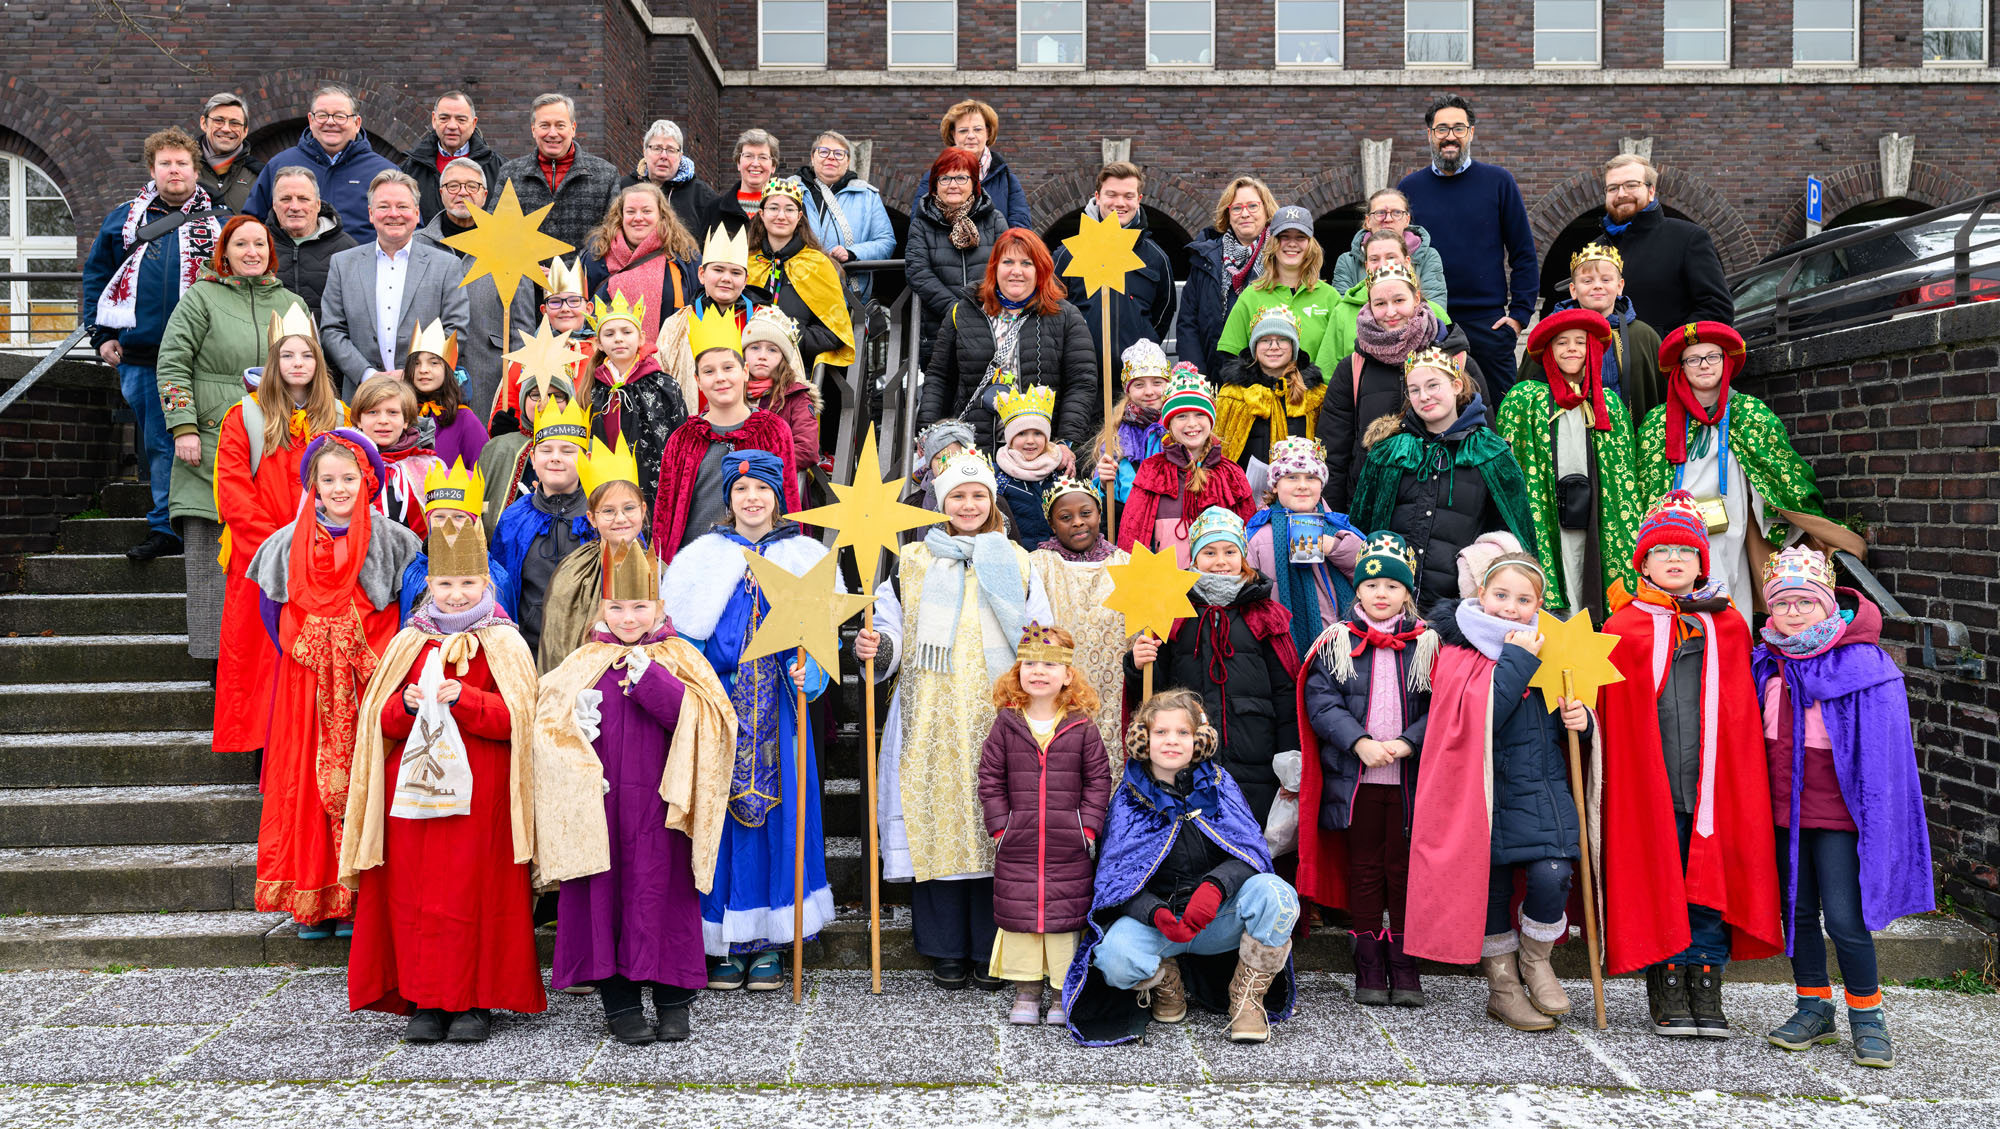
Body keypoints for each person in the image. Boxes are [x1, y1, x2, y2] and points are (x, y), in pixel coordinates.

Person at [341, 500, 545, 1043]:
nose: (456, 594)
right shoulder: (408, 642)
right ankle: (425, 999)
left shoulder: (505, 643)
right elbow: (377, 725)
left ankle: (475, 1001)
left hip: (483, 802)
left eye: (467, 583)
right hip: (414, 803)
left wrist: (469, 700)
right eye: (446, 584)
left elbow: (519, 723)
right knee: (417, 899)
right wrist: (406, 706)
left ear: (487, 582)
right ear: (428, 584)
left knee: (475, 897)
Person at [850, 451, 1053, 989]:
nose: (967, 504)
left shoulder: (1017, 561)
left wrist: (1039, 688)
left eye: (977, 495)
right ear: (941, 503)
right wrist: (877, 645)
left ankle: (993, 945)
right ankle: (944, 946)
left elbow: (1042, 633)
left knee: (996, 824)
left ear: (991, 503)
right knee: (936, 817)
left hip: (1000, 710)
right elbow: (891, 628)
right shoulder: (912, 560)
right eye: (957, 496)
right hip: (932, 711)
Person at [533, 538, 737, 1044]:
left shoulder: (680, 657)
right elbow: (545, 725)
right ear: (603, 607)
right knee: (606, 900)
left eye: (640, 607)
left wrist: (657, 685)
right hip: (598, 809)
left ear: (659, 607)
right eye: (617, 607)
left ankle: (673, 1000)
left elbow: (709, 723)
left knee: (662, 895)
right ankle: (620, 1003)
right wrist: (570, 728)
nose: (628, 618)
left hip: (660, 809)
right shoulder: (584, 660)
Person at [1597, 491, 1782, 1039]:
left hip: (1711, 781)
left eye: (1686, 551)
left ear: (1703, 561)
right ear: (1643, 563)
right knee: (1661, 876)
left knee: (1707, 878)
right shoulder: (1623, 626)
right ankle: (1667, 980)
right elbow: (1609, 707)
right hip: (1650, 782)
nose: (1674, 560)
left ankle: (1706, 980)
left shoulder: (1726, 627)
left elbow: (1741, 712)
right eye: (1662, 552)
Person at [660, 449, 836, 990]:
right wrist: (701, 675)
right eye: (741, 491)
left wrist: (815, 673)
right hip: (720, 711)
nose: (752, 499)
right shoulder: (700, 558)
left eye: (762, 490)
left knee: (784, 819)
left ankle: (772, 941)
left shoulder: (805, 555)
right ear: (727, 498)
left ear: (779, 498)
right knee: (720, 817)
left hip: (782, 714)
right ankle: (724, 938)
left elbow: (821, 637)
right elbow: (681, 638)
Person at [1753, 547, 1934, 1070]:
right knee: (1798, 914)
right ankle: (1813, 1008)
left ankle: (1868, 1016)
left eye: (1804, 603)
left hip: (1839, 816)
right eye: (1782, 603)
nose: (1792, 613)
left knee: (1847, 919)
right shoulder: (1766, 661)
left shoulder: (1862, 663)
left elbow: (1882, 754)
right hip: (1783, 812)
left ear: (1828, 605)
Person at [245, 430, 422, 937]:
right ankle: (316, 895)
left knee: (371, 779)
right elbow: (270, 611)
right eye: (328, 480)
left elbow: (409, 611)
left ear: (368, 479)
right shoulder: (282, 544)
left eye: (349, 478)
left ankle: (361, 895)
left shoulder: (396, 541)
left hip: (370, 682)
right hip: (309, 687)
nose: (339, 488)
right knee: (306, 783)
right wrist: (313, 652)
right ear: (313, 485)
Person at [1408, 551, 1591, 1031]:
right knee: (1489, 891)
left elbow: (1577, 717)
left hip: (1539, 790)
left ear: (1540, 604)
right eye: (1501, 595)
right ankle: (1504, 987)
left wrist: (1584, 721)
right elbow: (1483, 717)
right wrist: (1518, 657)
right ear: (1480, 595)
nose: (1510, 607)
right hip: (1478, 794)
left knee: (1553, 875)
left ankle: (1536, 961)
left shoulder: (1554, 648)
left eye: (1523, 598)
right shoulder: (1456, 650)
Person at [1063, 688, 1299, 1046]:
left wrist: (1215, 886)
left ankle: (1247, 998)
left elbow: (1251, 856)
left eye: (1182, 733)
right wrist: (1154, 913)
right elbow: (1115, 882)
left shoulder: (1220, 785)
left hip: (1218, 917)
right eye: (1161, 732)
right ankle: (1164, 978)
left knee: (1279, 897)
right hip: (1161, 927)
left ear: (1198, 739)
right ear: (1143, 739)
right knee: (1113, 958)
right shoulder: (1128, 799)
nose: (1172, 741)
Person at [155, 215, 302, 668]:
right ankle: (215, 662)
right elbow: (173, 362)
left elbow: (307, 369)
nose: (252, 252)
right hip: (211, 446)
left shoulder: (292, 302)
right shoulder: (201, 298)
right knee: (211, 564)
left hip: (275, 448)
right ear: (225, 251)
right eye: (241, 244)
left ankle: (266, 658)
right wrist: (183, 426)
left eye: (260, 243)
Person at [1297, 532, 1435, 1008]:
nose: (1381, 594)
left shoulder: (1427, 645)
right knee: (1364, 870)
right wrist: (1358, 742)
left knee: (1403, 869)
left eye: (1392, 587)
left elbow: (1441, 708)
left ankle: (1404, 960)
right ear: (1356, 590)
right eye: (1372, 584)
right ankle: (1369, 960)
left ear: (1407, 593)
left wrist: (1405, 742)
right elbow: (1321, 701)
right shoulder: (1337, 641)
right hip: (1356, 781)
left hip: (1406, 781)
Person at [82, 126, 226, 561]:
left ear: (195, 170)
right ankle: (167, 528)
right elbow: (97, 277)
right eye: (166, 163)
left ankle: (209, 523)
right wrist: (100, 336)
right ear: (153, 169)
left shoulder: (221, 221)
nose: (174, 170)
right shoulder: (124, 218)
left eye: (182, 163)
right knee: (162, 443)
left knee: (208, 440)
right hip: (141, 354)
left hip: (206, 355)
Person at [1638, 322, 1838, 634]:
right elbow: (1646, 485)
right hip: (1677, 531)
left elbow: (1782, 470)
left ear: (1725, 362)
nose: (1704, 365)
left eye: (1712, 357)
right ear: (1681, 367)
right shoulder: (1658, 422)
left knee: (1731, 594)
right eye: (1693, 359)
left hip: (1732, 525)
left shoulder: (1748, 412)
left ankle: (1732, 662)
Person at [211, 305, 344, 754]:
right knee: (258, 655)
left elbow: (349, 484)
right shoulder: (243, 416)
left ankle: (310, 744)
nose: (297, 364)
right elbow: (233, 490)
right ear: (273, 362)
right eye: (287, 355)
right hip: (260, 559)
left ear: (318, 363)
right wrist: (276, 545)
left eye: (306, 355)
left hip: (322, 556)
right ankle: (263, 747)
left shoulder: (338, 415)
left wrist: (321, 541)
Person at [1129, 507, 1301, 824]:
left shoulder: (1264, 614)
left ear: (1243, 556)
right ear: (1193, 559)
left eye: (1229, 551)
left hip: (1254, 752)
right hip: (1188, 752)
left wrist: (1289, 756)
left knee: (1249, 834)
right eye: (1209, 552)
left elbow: (1285, 690)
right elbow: (1154, 690)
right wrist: (1138, 665)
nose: (1220, 561)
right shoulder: (1174, 612)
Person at [979, 623, 1114, 1027]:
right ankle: (1026, 991)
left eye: (1050, 664)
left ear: (1068, 675)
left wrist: (1086, 829)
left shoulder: (1081, 726)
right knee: (1021, 920)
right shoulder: (1007, 724)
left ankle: (1060, 991)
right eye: (1030, 663)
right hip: (1017, 843)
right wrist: (1001, 828)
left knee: (1063, 922)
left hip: (1067, 845)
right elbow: (990, 779)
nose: (1039, 671)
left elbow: (1098, 781)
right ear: (1018, 671)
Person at [1346, 347, 1535, 606]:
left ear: (1457, 386)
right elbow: (1363, 526)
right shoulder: (1389, 451)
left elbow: (1511, 537)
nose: (1424, 396)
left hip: (1458, 605)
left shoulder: (1490, 453)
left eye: (1433, 385)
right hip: (1390, 603)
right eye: (1414, 390)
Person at [1495, 306, 1643, 616]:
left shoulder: (1609, 404)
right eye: (1562, 342)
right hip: (1546, 511)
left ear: (1592, 349)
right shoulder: (1524, 399)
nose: (1571, 348)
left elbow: (1622, 475)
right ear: (1548, 351)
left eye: (1579, 341)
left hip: (1596, 514)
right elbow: (1511, 467)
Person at [1396, 94, 1537, 403]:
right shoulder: (1409, 188)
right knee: (1430, 407)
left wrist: (1518, 317)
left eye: (1459, 128)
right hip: (1428, 320)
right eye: (1442, 129)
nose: (1450, 136)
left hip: (1488, 323)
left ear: (1471, 132)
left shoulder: (1499, 182)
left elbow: (1524, 252)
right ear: (1430, 135)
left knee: (1500, 412)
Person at [1318, 263, 1485, 512]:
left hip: (1444, 510)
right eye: (1380, 304)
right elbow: (1334, 454)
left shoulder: (1457, 362)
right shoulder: (1353, 368)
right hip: (1370, 507)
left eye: (1399, 300)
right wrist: (1335, 521)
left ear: (1416, 298)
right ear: (1369, 305)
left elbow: (1483, 444)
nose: (1390, 312)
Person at [921, 227, 1097, 454]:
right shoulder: (962, 312)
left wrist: (1066, 441)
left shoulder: (1065, 316)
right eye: (1008, 262)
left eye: (1026, 263)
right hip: (975, 450)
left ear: (1040, 270)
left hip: (1041, 452)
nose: (1017, 271)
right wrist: (927, 431)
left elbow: (1081, 384)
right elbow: (939, 378)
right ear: (995, 267)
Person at [650, 307, 800, 558]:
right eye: (709, 371)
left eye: (728, 368)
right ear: (698, 381)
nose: (720, 378)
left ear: (744, 372)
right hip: (693, 564)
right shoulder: (682, 439)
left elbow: (789, 500)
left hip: (757, 564)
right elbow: (665, 512)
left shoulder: (773, 431)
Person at [319, 170, 472, 397]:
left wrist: (415, 374)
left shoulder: (446, 266)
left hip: (426, 398)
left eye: (402, 206)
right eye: (383, 207)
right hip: (362, 396)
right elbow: (332, 329)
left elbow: (455, 330)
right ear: (371, 214)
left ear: (417, 213)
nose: (394, 214)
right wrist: (367, 374)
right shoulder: (343, 264)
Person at [414, 158, 537, 420]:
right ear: (441, 193)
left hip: (490, 369)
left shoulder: (510, 244)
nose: (462, 192)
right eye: (453, 185)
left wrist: (515, 381)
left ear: (484, 194)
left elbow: (523, 325)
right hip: (427, 372)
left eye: (472, 186)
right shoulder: (417, 244)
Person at [520, 434, 643, 672]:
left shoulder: (654, 568)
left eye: (629, 508)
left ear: (642, 509)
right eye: (608, 511)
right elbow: (559, 636)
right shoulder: (572, 570)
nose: (620, 518)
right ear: (592, 518)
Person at [1027, 477, 1131, 754]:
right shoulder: (1037, 565)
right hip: (1059, 681)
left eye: (1086, 513)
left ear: (1099, 514)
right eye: (1065, 517)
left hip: (1114, 680)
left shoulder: (1126, 564)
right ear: (1052, 524)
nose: (1077, 522)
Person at [489, 395, 595, 657]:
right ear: (533, 459)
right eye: (546, 451)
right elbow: (500, 587)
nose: (555, 458)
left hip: (588, 650)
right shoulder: (514, 518)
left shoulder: (601, 515)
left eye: (568, 451)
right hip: (528, 648)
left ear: (586, 457)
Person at [1118, 369, 1255, 564]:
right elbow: (1132, 534)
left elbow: (1249, 538)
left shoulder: (1231, 474)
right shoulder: (1153, 470)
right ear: (1169, 423)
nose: (1192, 424)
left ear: (1211, 420)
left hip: (1220, 584)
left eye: (1200, 414)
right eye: (1181, 416)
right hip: (1167, 585)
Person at [1244, 437, 1365, 656]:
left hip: (1341, 644)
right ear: (1276, 485)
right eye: (1291, 477)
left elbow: (1370, 572)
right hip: (1283, 649)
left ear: (1321, 484)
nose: (1302, 485)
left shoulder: (1339, 528)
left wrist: (1334, 547)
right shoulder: (1258, 537)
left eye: (1311, 477)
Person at [1052, 163, 1175, 365]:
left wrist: (1143, 343)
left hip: (1135, 378)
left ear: (1139, 200)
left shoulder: (1156, 258)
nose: (1120, 203)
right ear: (1098, 196)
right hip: (1081, 374)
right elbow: (1051, 310)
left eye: (1128, 196)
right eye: (1111, 194)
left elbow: (1163, 314)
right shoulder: (1067, 254)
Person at [243, 86, 399, 243]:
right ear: (311, 120)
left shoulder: (384, 172)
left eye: (340, 116)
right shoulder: (280, 165)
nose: (330, 122)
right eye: (322, 115)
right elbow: (251, 223)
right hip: (292, 266)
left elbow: (407, 229)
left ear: (357, 123)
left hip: (361, 266)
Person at [1597, 155, 1734, 331]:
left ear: (1651, 191)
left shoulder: (1688, 237)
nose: (1622, 194)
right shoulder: (1594, 249)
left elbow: (1717, 309)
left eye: (1631, 185)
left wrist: (1667, 346)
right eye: (1613, 188)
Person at [906, 147, 1011, 367]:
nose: (953, 185)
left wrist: (981, 305)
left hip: (990, 322)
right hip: (940, 327)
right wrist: (956, 310)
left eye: (961, 177)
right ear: (935, 185)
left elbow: (1006, 264)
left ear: (974, 183)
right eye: (945, 178)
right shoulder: (921, 224)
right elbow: (918, 272)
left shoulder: (994, 220)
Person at [1214, 206, 1347, 374]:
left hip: (1318, 396)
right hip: (1261, 398)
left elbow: (1342, 359)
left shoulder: (1330, 297)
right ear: (1273, 243)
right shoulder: (1251, 296)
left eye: (1300, 237)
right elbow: (1231, 358)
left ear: (1310, 244)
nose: (1292, 243)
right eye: (1284, 237)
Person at [586, 290, 686, 506]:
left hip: (651, 484)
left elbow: (679, 438)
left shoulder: (664, 386)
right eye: (609, 334)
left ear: (641, 338)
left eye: (626, 332)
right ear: (599, 343)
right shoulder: (592, 389)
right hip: (604, 483)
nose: (619, 338)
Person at [1549, 240, 1665, 424]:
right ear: (1573, 290)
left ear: (1620, 286)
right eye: (1587, 281)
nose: (1597, 286)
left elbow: (1661, 397)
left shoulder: (1644, 336)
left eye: (1605, 279)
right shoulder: (1552, 335)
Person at [746, 177, 855, 372]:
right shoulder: (747, 264)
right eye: (773, 208)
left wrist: (787, 338)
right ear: (761, 214)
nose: (781, 215)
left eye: (789, 209)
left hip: (797, 370)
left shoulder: (818, 264)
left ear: (799, 217)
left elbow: (834, 333)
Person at [1177, 177, 1278, 377]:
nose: (1245, 214)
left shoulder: (1280, 257)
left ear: (1266, 210)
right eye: (1237, 208)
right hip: (1215, 376)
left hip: (1266, 379)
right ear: (1228, 214)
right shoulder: (1205, 259)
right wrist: (1197, 377)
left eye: (1252, 206)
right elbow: (1188, 323)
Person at [495, 93, 620, 251]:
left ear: (573, 128)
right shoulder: (510, 173)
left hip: (583, 274)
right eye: (545, 125)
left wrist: (566, 270)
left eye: (560, 125)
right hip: (525, 275)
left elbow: (612, 234)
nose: (552, 133)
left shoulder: (606, 175)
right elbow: (498, 233)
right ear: (533, 130)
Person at [654, 225, 761, 409]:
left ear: (745, 281)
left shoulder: (765, 320)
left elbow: (791, 377)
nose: (726, 278)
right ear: (702, 274)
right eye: (718, 270)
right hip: (692, 427)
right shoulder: (678, 324)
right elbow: (659, 380)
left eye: (735, 273)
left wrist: (775, 382)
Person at [582, 182, 701, 346]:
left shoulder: (684, 256)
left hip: (671, 359)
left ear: (661, 215)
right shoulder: (597, 255)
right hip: (607, 359)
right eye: (631, 211)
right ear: (620, 215)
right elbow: (581, 310)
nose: (638, 218)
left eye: (646, 211)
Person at [487, 256, 597, 429]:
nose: (565, 308)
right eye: (555, 302)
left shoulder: (602, 354)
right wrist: (502, 428)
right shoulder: (525, 356)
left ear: (589, 308)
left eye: (574, 301)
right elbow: (507, 406)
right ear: (544, 311)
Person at [1215, 305, 1324, 467]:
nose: (1274, 346)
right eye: (1265, 340)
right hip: (1246, 489)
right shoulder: (1233, 394)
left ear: (1293, 347)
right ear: (1255, 347)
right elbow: (1221, 450)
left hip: (1300, 487)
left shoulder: (1315, 395)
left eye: (1282, 339)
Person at [798, 130, 897, 302]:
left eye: (839, 153)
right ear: (812, 157)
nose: (831, 157)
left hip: (847, 298)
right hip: (797, 292)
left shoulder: (867, 196)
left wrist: (852, 253)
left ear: (848, 161)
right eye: (824, 152)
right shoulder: (790, 190)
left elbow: (886, 242)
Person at [477, 372, 575, 533]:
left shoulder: (585, 449)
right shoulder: (498, 447)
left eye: (556, 396)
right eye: (536, 395)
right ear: (523, 400)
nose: (545, 404)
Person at [914, 99, 1032, 229]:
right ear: (953, 135)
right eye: (963, 131)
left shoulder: (1007, 180)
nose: (971, 136)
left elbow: (1020, 229)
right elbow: (919, 226)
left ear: (987, 133)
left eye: (977, 129)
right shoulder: (932, 178)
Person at [399, 91, 507, 224]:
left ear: (473, 123)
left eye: (461, 120)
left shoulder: (501, 169)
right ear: (434, 120)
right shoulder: (408, 171)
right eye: (444, 118)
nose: (451, 126)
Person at [267, 166, 358, 318]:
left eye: (303, 199)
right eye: (285, 199)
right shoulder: (258, 246)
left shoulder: (347, 249)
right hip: (268, 340)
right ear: (274, 206)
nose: (294, 207)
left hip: (327, 341)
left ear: (317, 205)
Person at [1329, 188, 1449, 304]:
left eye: (1397, 212)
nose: (1388, 219)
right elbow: (1342, 311)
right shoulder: (1347, 261)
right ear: (1368, 221)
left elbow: (1434, 310)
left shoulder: (1428, 257)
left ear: (1407, 219)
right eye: (1380, 213)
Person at [742, 306, 820, 480]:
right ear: (744, 353)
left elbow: (807, 449)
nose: (762, 356)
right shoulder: (728, 392)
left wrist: (757, 467)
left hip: (779, 489)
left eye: (772, 350)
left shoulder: (795, 397)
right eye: (754, 347)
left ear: (783, 358)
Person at [1092, 340, 1171, 511]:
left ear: (1168, 385)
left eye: (1157, 383)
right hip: (1129, 518)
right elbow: (1098, 498)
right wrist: (1104, 484)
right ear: (1128, 390)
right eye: (1139, 384)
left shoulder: (1180, 425)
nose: (1149, 391)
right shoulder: (1116, 435)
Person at [401, 320, 486, 468]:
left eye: (433, 363)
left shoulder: (465, 419)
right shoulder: (400, 415)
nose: (423, 370)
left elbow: (482, 473)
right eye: (416, 363)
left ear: (447, 370)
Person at [993, 385, 1064, 548]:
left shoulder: (1058, 474)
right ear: (1009, 439)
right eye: (1021, 433)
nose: (1030, 440)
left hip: (1052, 558)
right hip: (1015, 556)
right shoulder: (998, 476)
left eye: (1038, 433)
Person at [621, 119, 718, 235]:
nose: (663, 156)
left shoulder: (702, 195)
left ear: (680, 156)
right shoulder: (624, 187)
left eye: (671, 150)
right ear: (645, 152)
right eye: (657, 148)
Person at [697, 128, 781, 237]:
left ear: (773, 166)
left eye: (763, 157)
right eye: (748, 156)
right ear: (738, 163)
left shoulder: (788, 211)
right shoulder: (714, 209)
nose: (755, 163)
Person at [195, 92, 262, 213]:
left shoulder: (260, 176)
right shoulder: (182, 168)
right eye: (219, 121)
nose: (226, 129)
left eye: (235, 123)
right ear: (204, 123)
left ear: (245, 130)